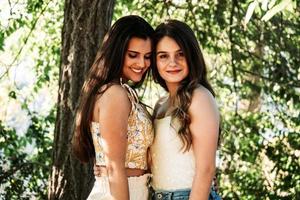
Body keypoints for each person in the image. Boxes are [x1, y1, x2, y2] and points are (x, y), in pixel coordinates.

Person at [72, 15, 154, 200]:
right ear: (117, 51)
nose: (141, 64)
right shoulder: (114, 94)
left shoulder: (125, 92)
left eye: (147, 57)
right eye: (133, 55)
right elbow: (115, 167)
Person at [149, 20, 221, 200]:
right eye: (163, 56)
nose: (172, 62)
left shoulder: (199, 98)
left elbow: (206, 169)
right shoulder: (161, 104)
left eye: (180, 54)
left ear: (191, 55)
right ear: (155, 61)